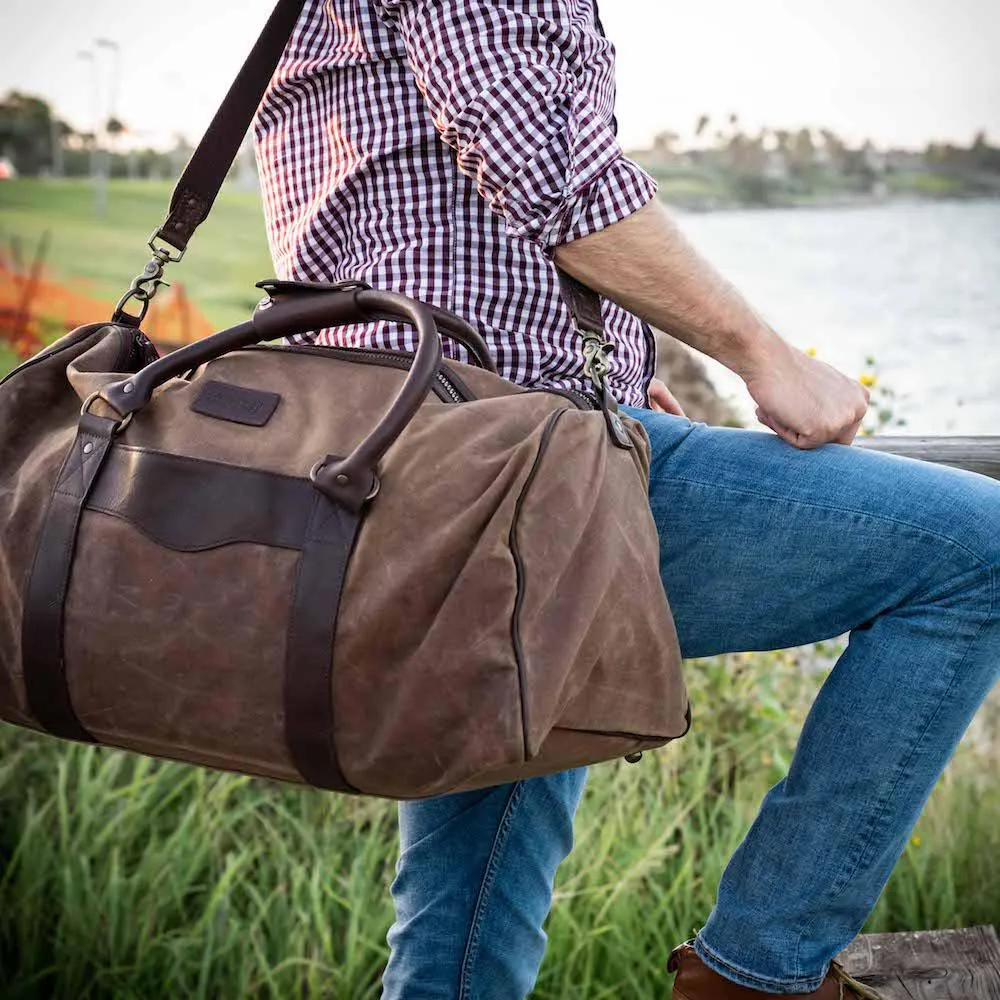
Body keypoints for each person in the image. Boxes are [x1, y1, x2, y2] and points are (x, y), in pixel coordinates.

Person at [253, 2, 1000, 997]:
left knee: (469, 916)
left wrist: (610, 363)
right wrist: (763, 356)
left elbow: (423, 219)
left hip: (386, 464)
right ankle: (758, 973)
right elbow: (543, 159)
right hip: (506, 469)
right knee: (974, 548)